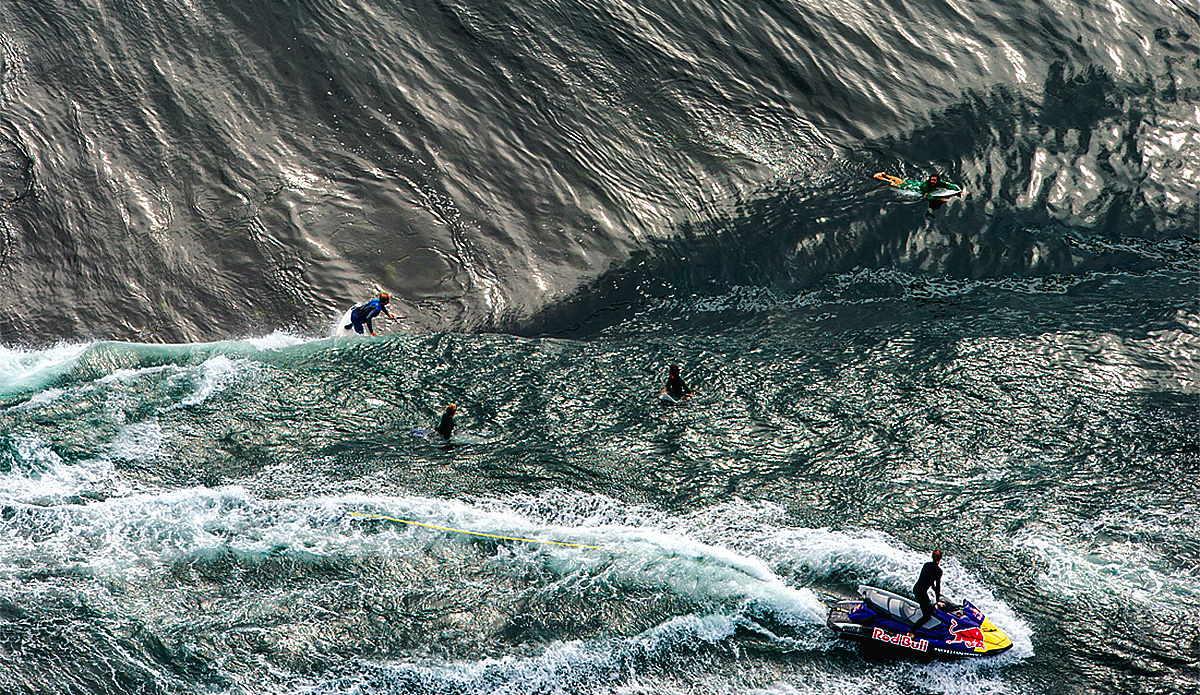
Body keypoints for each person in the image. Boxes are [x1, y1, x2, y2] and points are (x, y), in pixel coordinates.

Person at [912, 549, 944, 631]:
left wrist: (932, 586)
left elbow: (925, 577)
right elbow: (938, 586)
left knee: (928, 604)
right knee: (927, 616)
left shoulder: (926, 565)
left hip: (916, 588)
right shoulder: (939, 571)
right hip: (921, 593)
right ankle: (912, 631)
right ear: (941, 558)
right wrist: (938, 600)